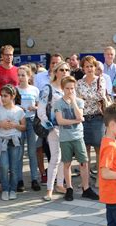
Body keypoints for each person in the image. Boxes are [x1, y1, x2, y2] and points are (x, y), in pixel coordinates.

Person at [54, 76, 99, 201]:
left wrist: (73, 102)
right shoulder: (58, 103)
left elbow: (81, 115)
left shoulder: (79, 101)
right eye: (67, 88)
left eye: (72, 88)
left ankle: (86, 188)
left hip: (78, 136)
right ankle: (69, 188)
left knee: (84, 162)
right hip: (65, 138)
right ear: (63, 89)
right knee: (67, 163)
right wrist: (76, 120)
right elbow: (60, 121)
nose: (70, 91)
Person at [38, 61, 68, 201]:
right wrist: (48, 125)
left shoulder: (68, 88)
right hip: (53, 127)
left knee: (64, 158)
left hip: (67, 128)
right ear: (55, 72)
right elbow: (41, 110)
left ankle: (60, 185)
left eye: (67, 70)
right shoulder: (47, 88)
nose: (64, 72)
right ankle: (49, 189)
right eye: (61, 69)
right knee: (55, 158)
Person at [76, 56, 107, 187]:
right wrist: (86, 98)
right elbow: (77, 99)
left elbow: (100, 95)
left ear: (95, 67)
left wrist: (84, 97)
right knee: (84, 151)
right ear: (83, 68)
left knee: (99, 150)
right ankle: (86, 179)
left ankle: (100, 178)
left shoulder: (100, 80)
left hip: (97, 118)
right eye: (87, 66)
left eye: (91, 66)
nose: (89, 69)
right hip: (83, 119)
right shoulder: (78, 83)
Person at [0, 85, 26, 201]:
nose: (3, 98)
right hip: (1, 141)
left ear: (13, 96)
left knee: (14, 167)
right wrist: (1, 124)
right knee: (4, 166)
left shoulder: (19, 111)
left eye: (5, 96)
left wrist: (15, 125)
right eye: (2, 96)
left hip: (14, 141)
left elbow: (24, 127)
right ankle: (5, 189)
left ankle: (13, 189)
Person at [16, 65, 41, 192]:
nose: (20, 77)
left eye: (23, 75)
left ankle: (34, 179)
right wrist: (18, 108)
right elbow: (11, 106)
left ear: (28, 76)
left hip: (31, 122)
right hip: (19, 122)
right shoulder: (15, 90)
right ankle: (19, 180)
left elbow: (39, 105)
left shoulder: (34, 90)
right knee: (19, 153)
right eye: (19, 75)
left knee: (32, 152)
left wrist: (35, 108)